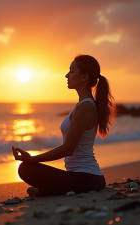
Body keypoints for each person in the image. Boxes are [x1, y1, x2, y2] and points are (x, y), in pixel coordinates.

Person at [12, 54, 116, 196]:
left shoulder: (84, 107)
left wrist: (32, 159)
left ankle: (50, 190)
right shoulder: (83, 105)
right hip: (83, 177)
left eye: (72, 71)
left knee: (25, 169)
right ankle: (50, 190)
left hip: (87, 179)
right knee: (27, 170)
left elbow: (68, 148)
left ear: (84, 77)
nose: (67, 75)